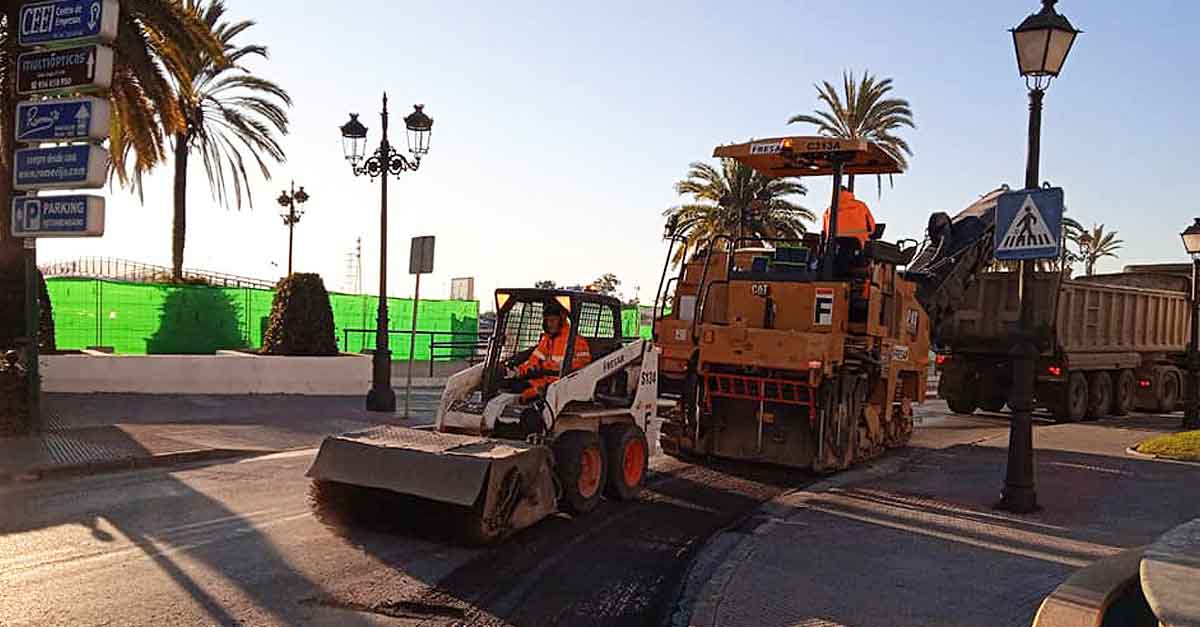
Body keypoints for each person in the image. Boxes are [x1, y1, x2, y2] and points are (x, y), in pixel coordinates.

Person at [506, 299, 591, 400]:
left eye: (553, 320)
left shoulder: (576, 340)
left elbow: (583, 363)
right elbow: (534, 360)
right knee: (515, 387)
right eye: (547, 321)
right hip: (545, 380)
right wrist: (519, 371)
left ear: (561, 320)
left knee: (529, 396)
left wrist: (559, 367)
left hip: (562, 384)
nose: (549, 324)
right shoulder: (547, 339)